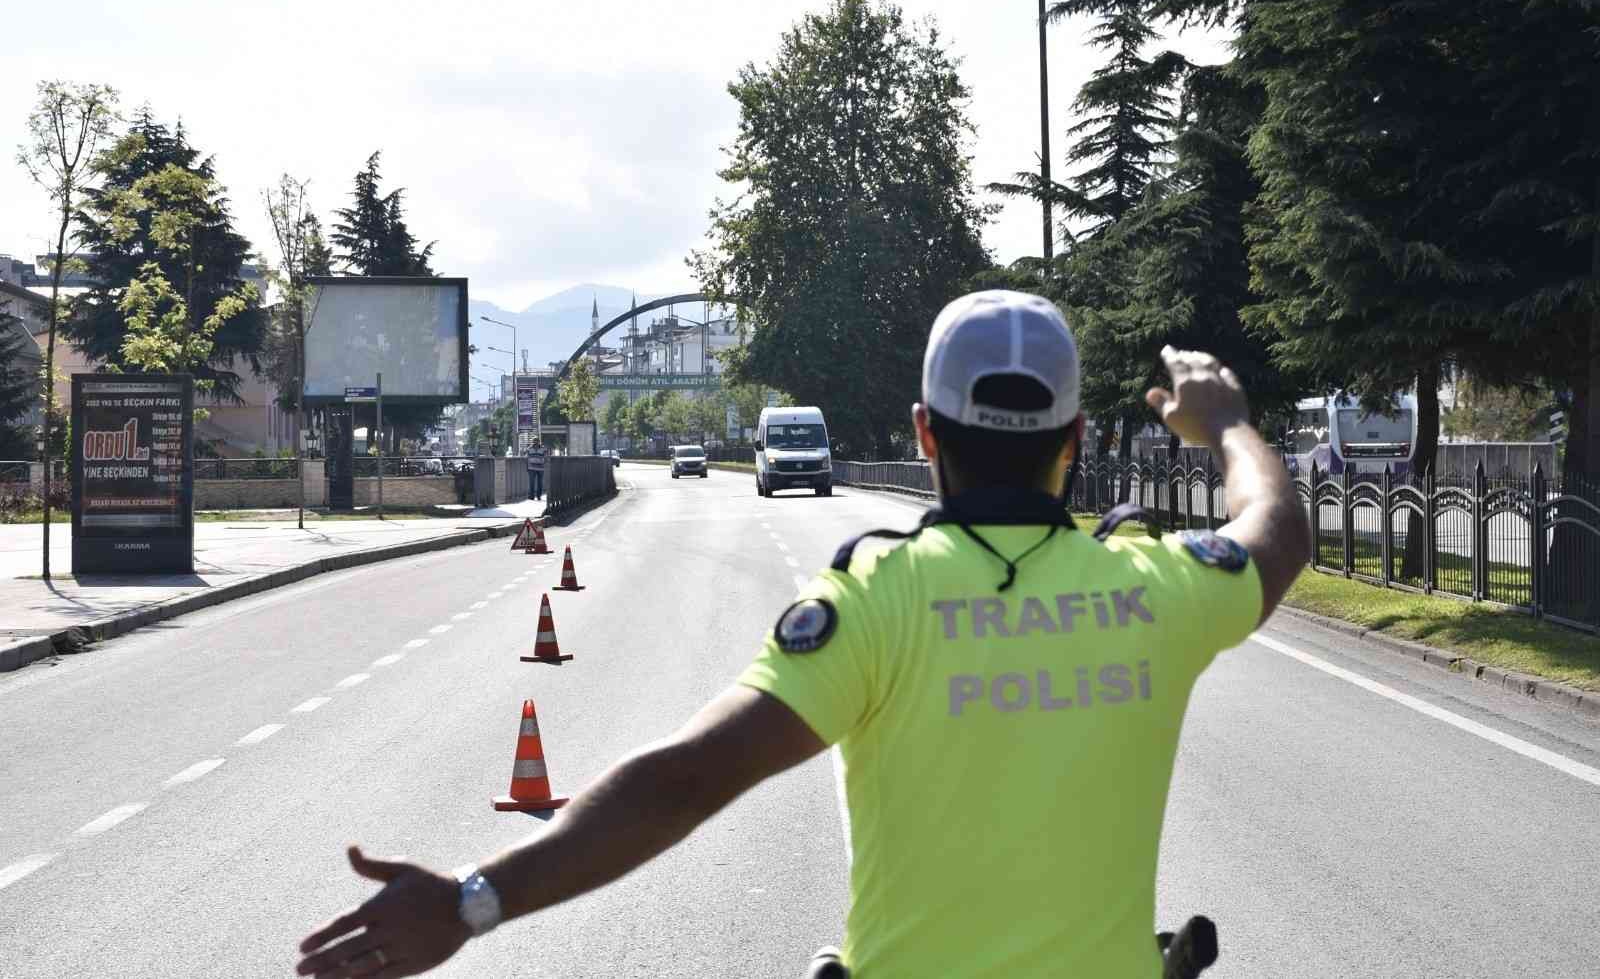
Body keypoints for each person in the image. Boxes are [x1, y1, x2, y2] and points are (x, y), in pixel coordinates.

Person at [296, 291, 1309, 979]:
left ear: (923, 432)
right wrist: (1221, 422)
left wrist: (475, 898)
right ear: (1075, 439)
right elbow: (1277, 526)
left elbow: (681, 779)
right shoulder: (1160, 588)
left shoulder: (877, 601)